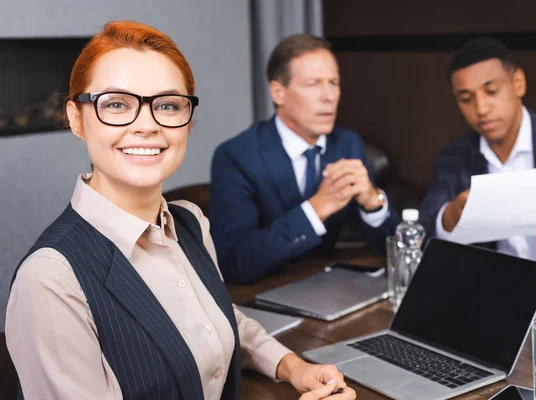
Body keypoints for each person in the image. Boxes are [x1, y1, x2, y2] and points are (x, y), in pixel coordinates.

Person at [5, 21, 356, 400]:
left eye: (168, 105)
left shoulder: (190, 222)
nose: (146, 125)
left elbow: (218, 318)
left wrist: (292, 366)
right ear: (76, 118)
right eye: (117, 104)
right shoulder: (50, 279)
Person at [210, 34, 400, 284]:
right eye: (313, 84)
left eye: (334, 82)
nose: (329, 96)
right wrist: (316, 209)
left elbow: (394, 249)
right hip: (263, 292)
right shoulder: (236, 156)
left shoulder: (347, 143)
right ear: (279, 92)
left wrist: (372, 202)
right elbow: (235, 262)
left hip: (331, 288)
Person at [419, 37, 536, 282]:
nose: (481, 108)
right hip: (492, 296)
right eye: (466, 98)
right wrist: (450, 218)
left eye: (491, 91)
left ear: (518, 83)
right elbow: (423, 232)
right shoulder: (454, 157)